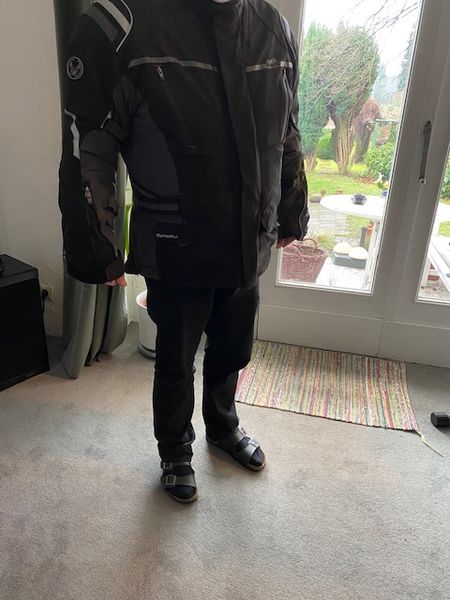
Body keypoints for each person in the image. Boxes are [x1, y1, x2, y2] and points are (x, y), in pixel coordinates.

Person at [58, 0, 309, 503]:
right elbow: (91, 143)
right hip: (177, 242)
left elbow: (287, 128)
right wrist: (97, 243)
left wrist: (291, 208)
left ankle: (223, 425)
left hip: (248, 235)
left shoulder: (272, 27)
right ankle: (174, 449)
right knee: (175, 359)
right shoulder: (125, 22)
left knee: (234, 345)